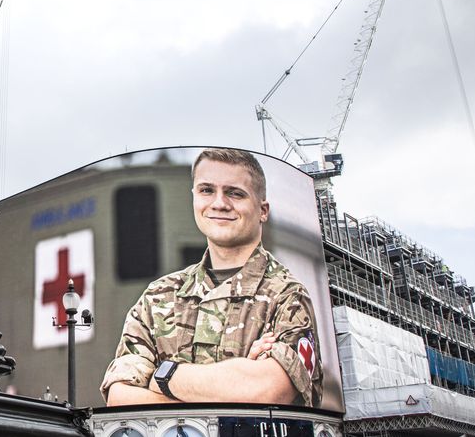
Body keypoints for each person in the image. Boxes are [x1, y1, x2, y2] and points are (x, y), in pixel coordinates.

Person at [100, 148, 323, 407]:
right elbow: (119, 398)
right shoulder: (158, 297)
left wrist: (164, 376)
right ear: (194, 198)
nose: (219, 203)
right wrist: (234, 385)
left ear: (263, 210)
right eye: (207, 190)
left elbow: (269, 390)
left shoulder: (286, 296)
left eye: (235, 193)